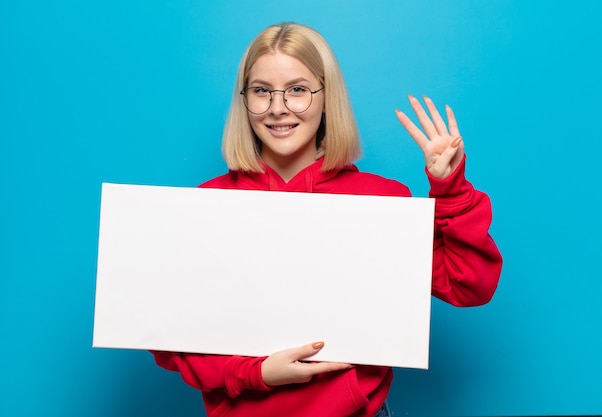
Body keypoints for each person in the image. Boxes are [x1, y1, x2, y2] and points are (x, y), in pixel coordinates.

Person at [152, 22, 502, 417]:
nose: (278, 107)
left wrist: (450, 188)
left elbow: (467, 286)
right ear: (244, 98)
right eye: (261, 91)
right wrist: (256, 373)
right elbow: (171, 339)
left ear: (325, 96)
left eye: (298, 90)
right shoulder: (207, 204)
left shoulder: (381, 199)